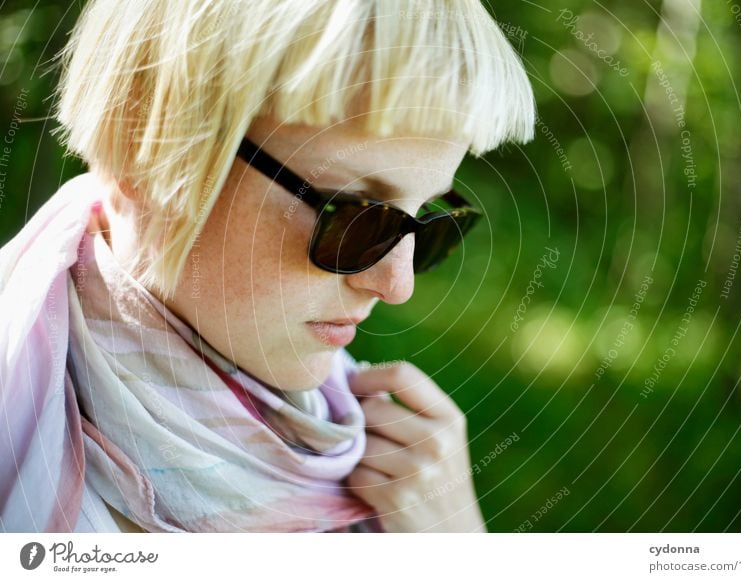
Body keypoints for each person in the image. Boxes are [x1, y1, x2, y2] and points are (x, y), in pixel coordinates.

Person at [0, 0, 534, 532]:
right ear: (148, 149)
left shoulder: (371, 463)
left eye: (432, 223)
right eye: (356, 217)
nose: (397, 285)